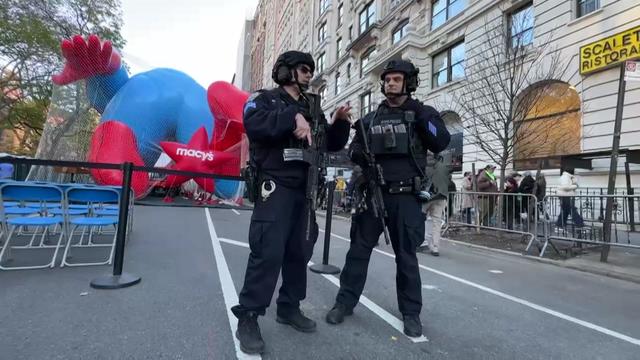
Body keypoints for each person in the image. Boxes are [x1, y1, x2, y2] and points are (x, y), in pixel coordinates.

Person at [231, 50, 352, 354]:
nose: (309, 74)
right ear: (285, 71)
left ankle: (289, 307)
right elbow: (254, 125)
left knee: (300, 251)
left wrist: (339, 122)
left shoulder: (312, 107)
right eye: (303, 69)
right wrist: (290, 116)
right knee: (268, 251)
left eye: (311, 70)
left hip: (305, 189)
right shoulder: (265, 99)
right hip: (275, 186)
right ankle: (248, 315)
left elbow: (328, 144)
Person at [325, 59, 450, 337]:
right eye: (387, 79)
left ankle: (411, 313)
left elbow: (440, 141)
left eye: (396, 79)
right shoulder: (370, 119)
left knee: (406, 258)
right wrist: (361, 157)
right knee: (358, 252)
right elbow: (354, 149)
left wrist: (419, 115)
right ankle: (344, 303)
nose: (390, 83)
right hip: (374, 195)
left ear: (408, 82)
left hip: (406, 198)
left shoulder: (422, 114)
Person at [417, 155, 449, 256]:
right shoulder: (444, 167)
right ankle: (435, 247)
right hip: (441, 197)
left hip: (427, 196)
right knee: (436, 222)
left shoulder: (424, 165)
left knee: (420, 220)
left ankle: (421, 242)